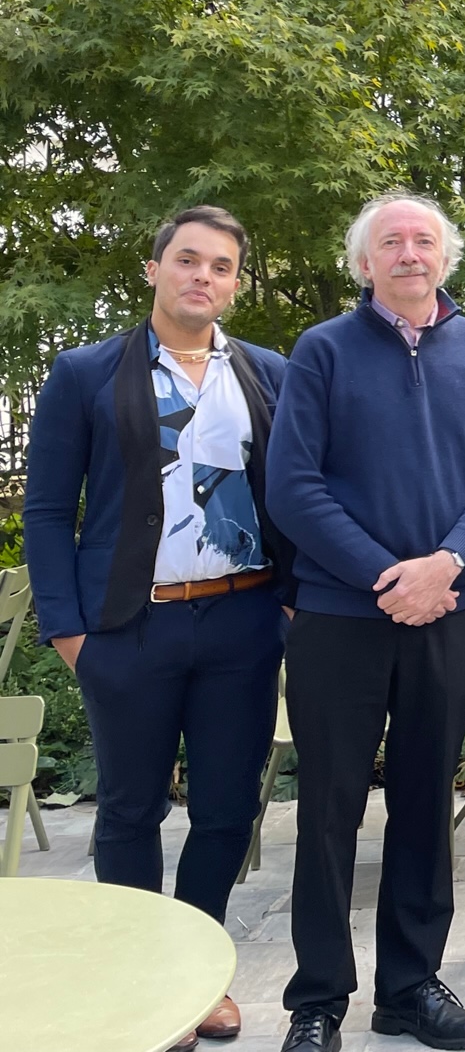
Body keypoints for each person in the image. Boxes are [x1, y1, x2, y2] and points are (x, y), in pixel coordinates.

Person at [23, 207, 290, 1049]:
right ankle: (140, 982)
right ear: (154, 270)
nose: (201, 277)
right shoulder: (85, 372)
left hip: (243, 622)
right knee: (130, 811)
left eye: (219, 266)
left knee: (224, 809)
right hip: (127, 631)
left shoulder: (266, 373)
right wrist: (69, 633)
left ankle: (197, 973)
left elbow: (291, 490)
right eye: (186, 260)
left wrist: (285, 601)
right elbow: (45, 510)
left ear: (235, 284)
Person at [267, 193, 465, 1052]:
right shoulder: (324, 351)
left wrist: (445, 565)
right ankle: (318, 1000)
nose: (409, 253)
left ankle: (409, 987)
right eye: (391, 242)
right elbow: (294, 486)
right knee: (330, 808)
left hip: (446, 613)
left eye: (423, 240)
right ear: (365, 262)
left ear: (445, 257)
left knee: (424, 801)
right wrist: (387, 576)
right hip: (343, 616)